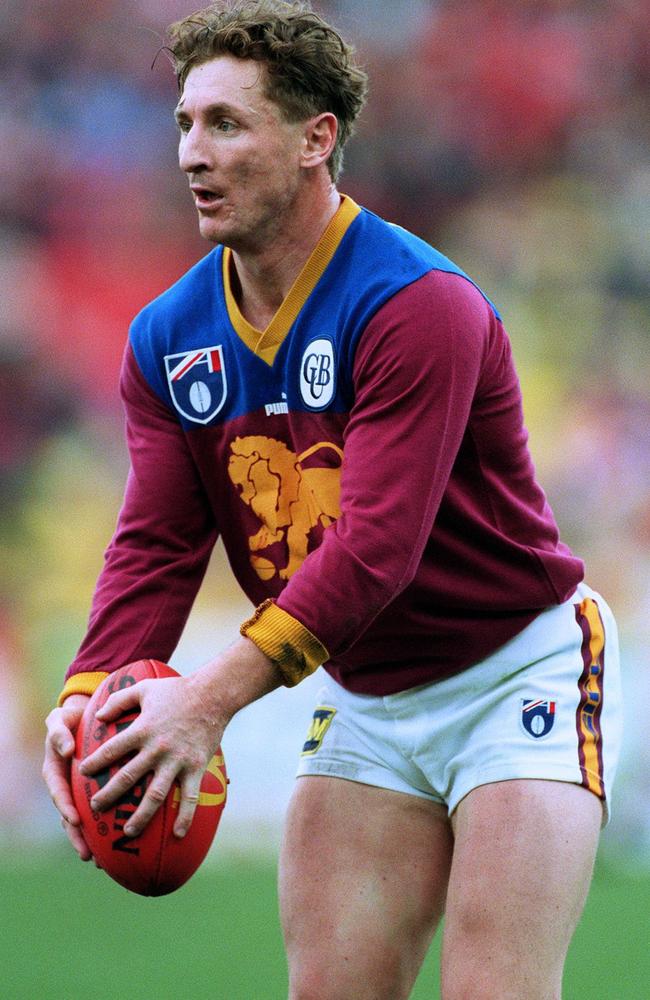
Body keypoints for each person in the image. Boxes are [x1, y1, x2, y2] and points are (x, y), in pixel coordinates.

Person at [42, 2, 622, 997]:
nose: (190, 152)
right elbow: (155, 545)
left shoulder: (416, 304)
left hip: (510, 671)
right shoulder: (167, 335)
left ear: (315, 140)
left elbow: (375, 551)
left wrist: (206, 704)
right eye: (183, 122)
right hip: (363, 693)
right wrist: (90, 690)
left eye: (225, 123)